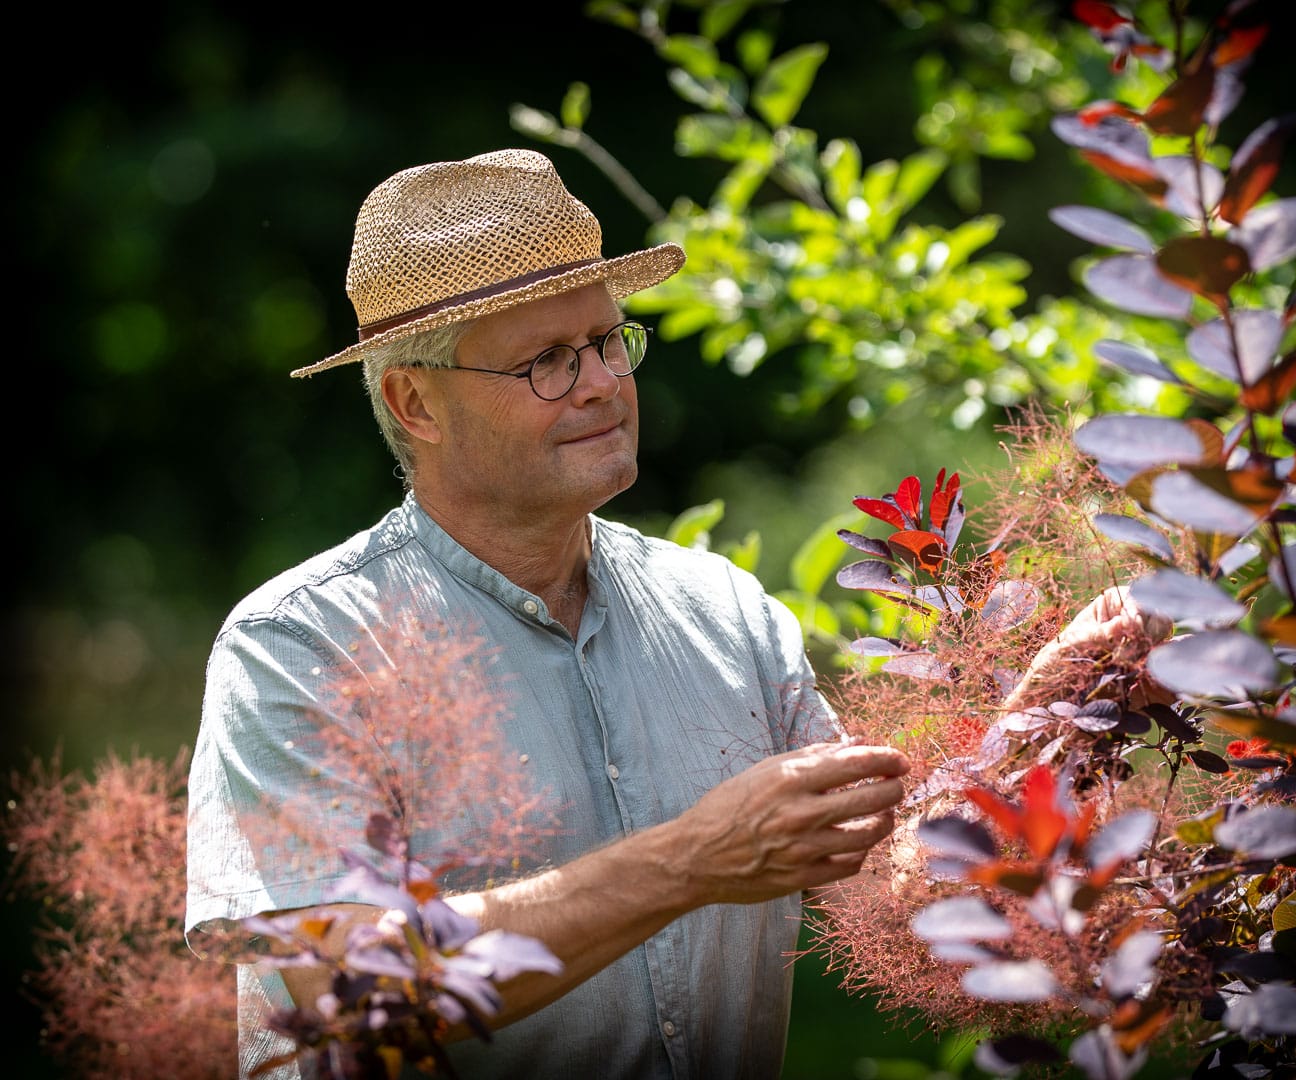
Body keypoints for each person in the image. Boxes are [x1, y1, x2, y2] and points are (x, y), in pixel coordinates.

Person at [185, 148, 914, 1080]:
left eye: (609, 341)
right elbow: (355, 994)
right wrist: (689, 860)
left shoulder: (725, 611)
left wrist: (1037, 727)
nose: (603, 381)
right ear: (417, 403)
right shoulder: (300, 648)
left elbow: (885, 878)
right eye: (547, 362)